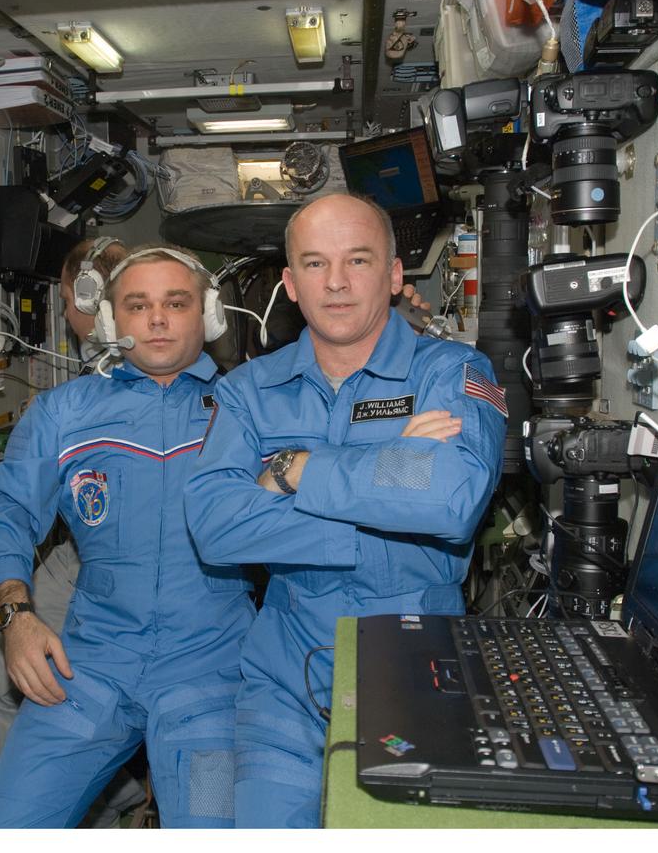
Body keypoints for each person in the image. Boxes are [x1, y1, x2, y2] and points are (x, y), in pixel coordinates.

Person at [183, 193, 507, 828]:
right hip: (284, 684)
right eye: (313, 263)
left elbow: (452, 498)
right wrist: (389, 493)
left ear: (393, 275)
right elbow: (216, 527)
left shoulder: (454, 371)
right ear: (291, 284)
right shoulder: (249, 391)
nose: (335, 282)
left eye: (357, 260)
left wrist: (291, 469)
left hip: (418, 677)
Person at [0, 244, 255, 828]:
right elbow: (5, 511)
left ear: (206, 316)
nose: (156, 319)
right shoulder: (63, 413)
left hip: (209, 674)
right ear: (109, 321)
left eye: (176, 303)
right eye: (137, 304)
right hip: (88, 668)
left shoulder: (249, 409)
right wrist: (16, 616)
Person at [0, 237, 143, 827]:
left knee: (27, 683)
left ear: (92, 298)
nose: (66, 317)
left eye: (68, 301)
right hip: (82, 552)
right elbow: (12, 506)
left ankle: (102, 799)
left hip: (141, 571)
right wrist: (15, 612)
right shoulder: (70, 402)